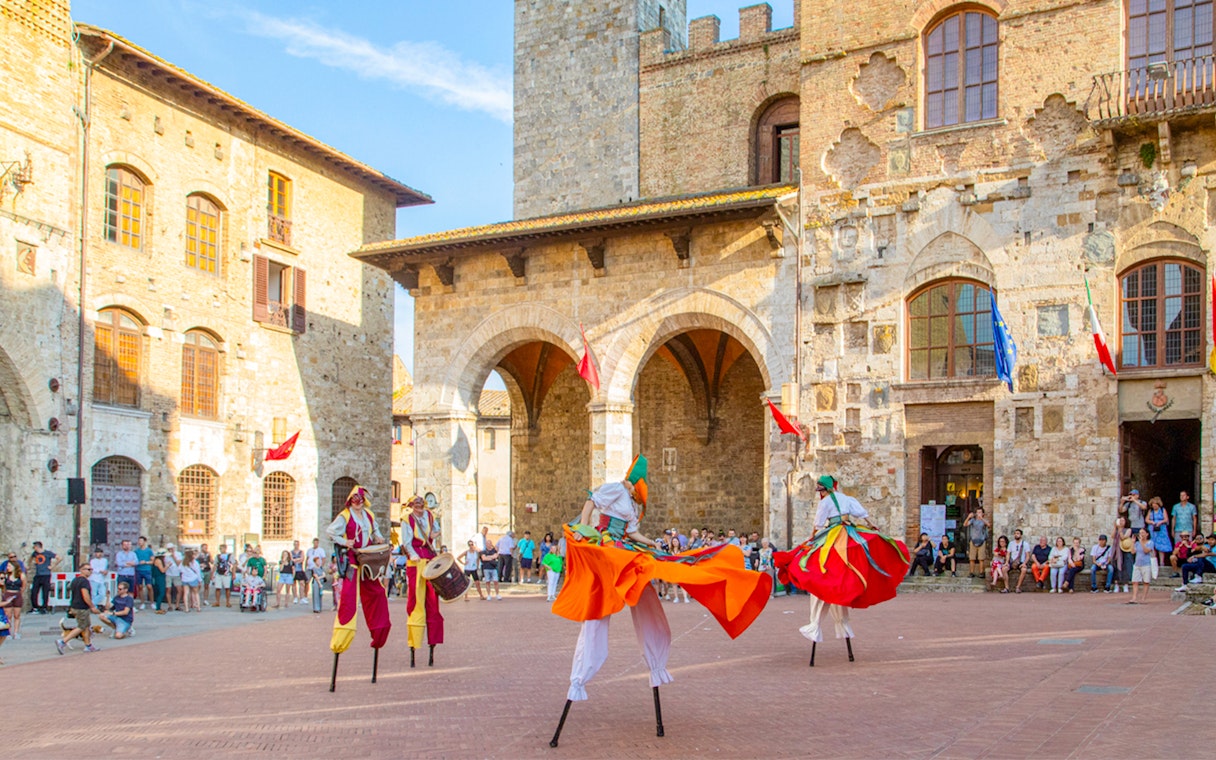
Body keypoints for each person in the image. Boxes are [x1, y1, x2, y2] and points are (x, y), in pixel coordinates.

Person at [552, 454, 771, 719]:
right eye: (639, 484)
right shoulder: (616, 489)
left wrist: (652, 543)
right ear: (634, 481)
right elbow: (591, 501)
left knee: (650, 578)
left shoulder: (632, 506)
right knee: (601, 605)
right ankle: (580, 677)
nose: (638, 489)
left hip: (625, 544)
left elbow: (632, 533)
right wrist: (585, 531)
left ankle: (656, 663)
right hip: (606, 545)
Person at [773, 474, 907, 653]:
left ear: (826, 489)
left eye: (820, 489)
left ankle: (817, 621)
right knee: (847, 564)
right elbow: (862, 513)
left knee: (818, 563)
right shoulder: (846, 498)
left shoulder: (826, 502)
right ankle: (841, 616)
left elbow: (819, 523)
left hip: (834, 535)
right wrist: (872, 525)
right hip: (850, 532)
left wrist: (812, 537)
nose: (819, 493)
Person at [325, 484, 392, 658]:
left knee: (377, 593)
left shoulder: (369, 515)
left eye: (360, 500)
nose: (357, 503)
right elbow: (330, 532)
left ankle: (379, 632)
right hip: (354, 561)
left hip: (368, 560)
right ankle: (341, 638)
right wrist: (344, 541)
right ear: (350, 500)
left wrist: (377, 537)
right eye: (355, 500)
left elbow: (375, 530)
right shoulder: (345, 516)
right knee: (348, 599)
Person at [402, 494, 443, 665]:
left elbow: (435, 531)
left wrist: (434, 535)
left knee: (433, 601)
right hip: (416, 560)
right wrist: (413, 555)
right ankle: (414, 641)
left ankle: (433, 641)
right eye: (416, 505)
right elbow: (406, 542)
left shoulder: (430, 516)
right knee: (415, 601)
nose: (418, 507)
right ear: (412, 506)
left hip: (430, 558)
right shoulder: (407, 520)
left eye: (421, 505)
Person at [56, 563, 102, 654]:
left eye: (91, 569)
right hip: (81, 607)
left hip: (75, 606)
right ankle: (63, 642)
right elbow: (85, 595)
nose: (90, 571)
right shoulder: (84, 582)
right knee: (81, 626)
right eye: (88, 569)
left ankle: (88, 645)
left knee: (86, 626)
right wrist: (92, 606)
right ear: (81, 570)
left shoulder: (75, 580)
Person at [27, 541, 62, 613]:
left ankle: (44, 607)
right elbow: (30, 559)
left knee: (45, 591)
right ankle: (35, 607)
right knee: (34, 591)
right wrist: (30, 565)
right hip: (37, 575)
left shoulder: (47, 553)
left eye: (34, 547)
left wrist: (53, 566)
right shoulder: (35, 554)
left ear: (37, 547)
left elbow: (59, 558)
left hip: (46, 574)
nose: (34, 549)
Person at [962, 508, 990, 578]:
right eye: (977, 512)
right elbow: (965, 524)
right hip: (973, 540)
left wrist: (982, 519)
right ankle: (971, 572)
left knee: (981, 558)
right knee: (972, 558)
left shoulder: (984, 521)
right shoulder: (973, 520)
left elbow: (989, 525)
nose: (978, 514)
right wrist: (968, 517)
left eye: (980, 512)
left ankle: (981, 572)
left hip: (982, 540)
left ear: (983, 514)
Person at [1128, 528, 1154, 604]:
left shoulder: (1150, 542)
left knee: (1146, 582)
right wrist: (1133, 543)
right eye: (1140, 533)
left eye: (1143, 533)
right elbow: (1132, 552)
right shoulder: (1137, 543)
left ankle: (1143, 598)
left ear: (1147, 534)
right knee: (1135, 581)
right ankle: (1134, 597)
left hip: (1146, 564)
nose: (1141, 534)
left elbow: (1146, 551)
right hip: (1137, 564)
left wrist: (1141, 542)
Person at [1146, 497, 1173, 565]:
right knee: (1153, 545)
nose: (1154, 505)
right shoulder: (1150, 511)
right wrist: (1152, 522)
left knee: (1161, 546)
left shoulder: (1162, 510)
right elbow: (1146, 519)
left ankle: (1161, 562)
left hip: (1161, 530)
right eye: (1153, 504)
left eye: (1155, 504)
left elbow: (1166, 519)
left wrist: (1160, 522)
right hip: (1153, 529)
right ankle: (1154, 562)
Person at [3, 559, 25, 639]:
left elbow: (23, 586)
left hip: (17, 594)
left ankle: (16, 632)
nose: (8, 568)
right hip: (8, 593)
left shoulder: (21, 575)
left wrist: (19, 593)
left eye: (9, 566)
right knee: (8, 615)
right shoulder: (6, 576)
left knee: (17, 615)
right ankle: (8, 632)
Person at [1115, 517, 1134, 593]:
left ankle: (1125, 584)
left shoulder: (1128, 530)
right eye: (1120, 520)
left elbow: (1123, 537)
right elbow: (1113, 536)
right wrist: (1115, 527)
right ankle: (1117, 584)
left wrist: (1120, 530)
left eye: (1123, 520)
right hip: (1117, 550)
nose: (1122, 522)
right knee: (1117, 566)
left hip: (1126, 549)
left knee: (1126, 566)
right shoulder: (1116, 529)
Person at [163, 543, 183, 611]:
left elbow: (178, 563)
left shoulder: (178, 554)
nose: (170, 550)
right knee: (168, 589)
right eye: (169, 549)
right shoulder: (166, 556)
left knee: (179, 590)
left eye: (171, 548)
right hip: (169, 574)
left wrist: (173, 556)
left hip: (176, 574)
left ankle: (177, 605)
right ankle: (170, 605)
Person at [151, 549, 168, 614]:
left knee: (160, 592)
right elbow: (162, 570)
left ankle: (159, 607)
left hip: (159, 577)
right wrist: (167, 566)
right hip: (159, 578)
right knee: (161, 592)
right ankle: (158, 607)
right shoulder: (158, 561)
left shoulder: (157, 560)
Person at [290, 540, 307, 604]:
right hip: (293, 569)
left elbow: (302, 559)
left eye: (297, 544)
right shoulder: (291, 552)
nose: (296, 545)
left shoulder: (301, 552)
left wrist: (296, 560)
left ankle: (302, 597)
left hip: (300, 569)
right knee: (293, 584)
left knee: (302, 583)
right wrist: (298, 559)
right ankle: (295, 597)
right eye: (295, 544)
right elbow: (291, 560)